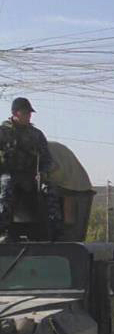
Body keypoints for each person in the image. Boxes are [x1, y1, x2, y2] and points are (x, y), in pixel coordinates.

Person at [0, 97, 61, 241]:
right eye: (25, 113)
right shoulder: (3, 132)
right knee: (6, 185)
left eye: (29, 113)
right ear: (15, 113)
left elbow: (47, 159)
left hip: (31, 176)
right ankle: (2, 228)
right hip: (8, 173)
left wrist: (42, 173)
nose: (29, 116)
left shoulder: (36, 135)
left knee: (50, 189)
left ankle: (54, 230)